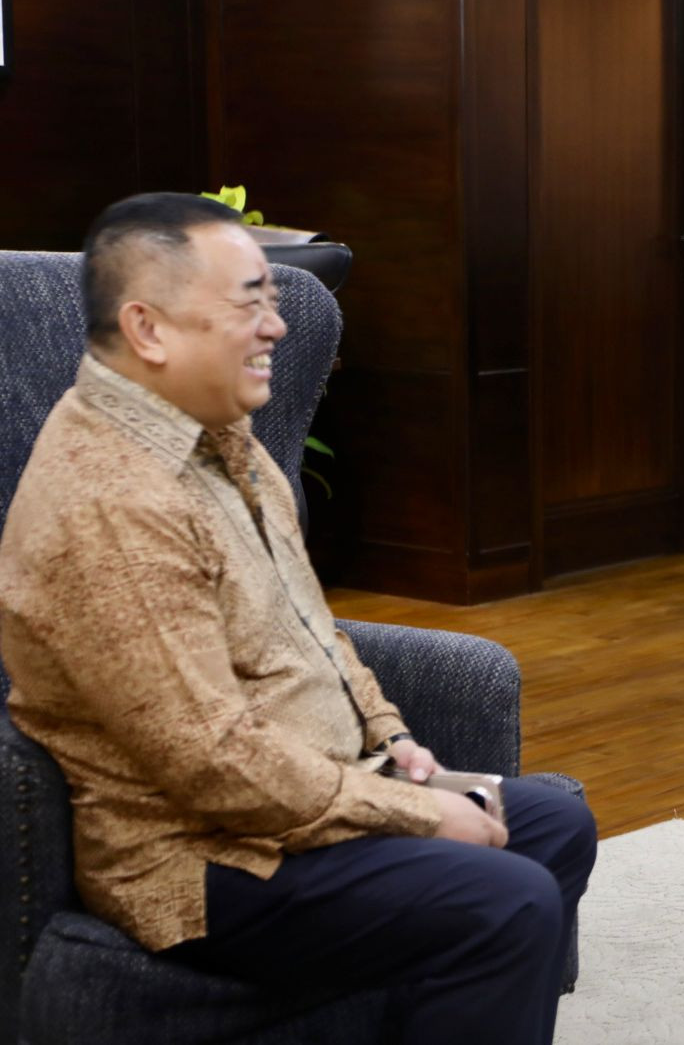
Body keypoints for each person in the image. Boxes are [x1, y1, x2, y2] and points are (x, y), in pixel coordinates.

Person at [0, 193, 596, 1044]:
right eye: (250, 302)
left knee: (552, 825)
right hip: (206, 858)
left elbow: (312, 628)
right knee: (503, 897)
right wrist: (421, 814)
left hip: (309, 800)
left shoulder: (224, 443)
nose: (276, 326)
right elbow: (212, 763)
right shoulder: (112, 505)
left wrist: (394, 744)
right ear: (149, 329)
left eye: (274, 301)